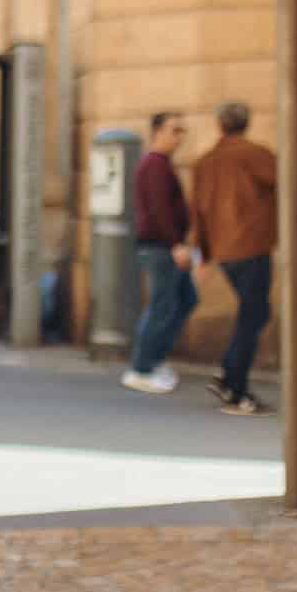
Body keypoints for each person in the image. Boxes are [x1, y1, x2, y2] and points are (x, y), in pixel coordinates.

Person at [191, 100, 277, 416]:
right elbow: (289, 173)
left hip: (224, 252)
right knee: (254, 314)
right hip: (251, 247)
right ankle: (234, 389)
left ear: (219, 125)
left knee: (253, 312)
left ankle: (229, 375)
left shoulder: (204, 162)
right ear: (247, 123)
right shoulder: (254, 154)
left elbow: (198, 211)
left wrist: (203, 255)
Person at [122, 112, 198, 394]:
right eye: (174, 130)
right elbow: (159, 209)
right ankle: (141, 368)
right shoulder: (154, 165)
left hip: (165, 245)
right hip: (160, 246)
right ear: (157, 132)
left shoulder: (161, 164)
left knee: (186, 299)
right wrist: (176, 244)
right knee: (161, 306)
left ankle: (155, 358)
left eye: (181, 131)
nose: (179, 137)